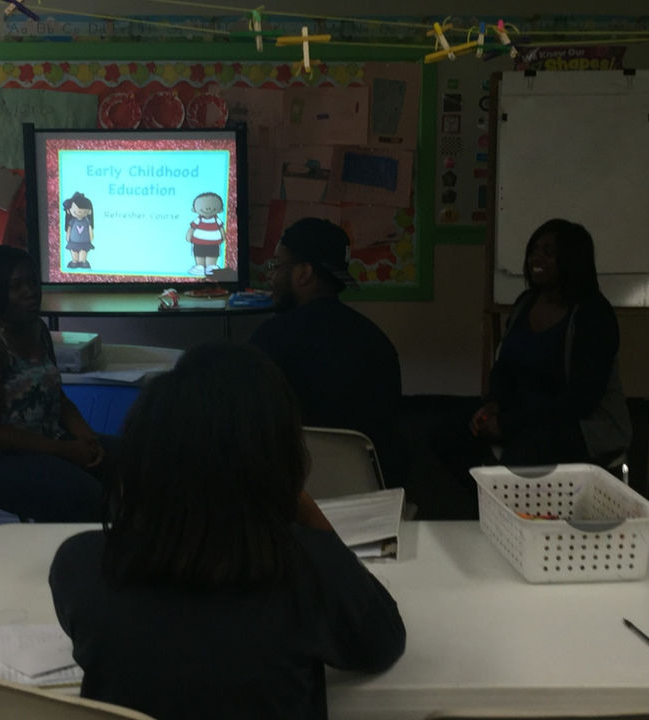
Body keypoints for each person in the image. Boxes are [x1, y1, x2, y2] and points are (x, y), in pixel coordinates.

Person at [50, 342, 405, 720]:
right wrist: (302, 506)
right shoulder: (310, 569)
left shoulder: (80, 565)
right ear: (280, 458)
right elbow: (381, 641)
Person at [0, 245, 110, 521]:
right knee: (79, 493)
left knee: (132, 461)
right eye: (17, 286)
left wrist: (87, 437)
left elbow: (57, 398)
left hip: (38, 439)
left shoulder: (38, 330)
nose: (31, 291)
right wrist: (65, 451)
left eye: (32, 282)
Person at [250, 217, 404, 484]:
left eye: (277, 265)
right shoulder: (377, 341)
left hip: (287, 491)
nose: (271, 277)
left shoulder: (267, 340)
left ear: (304, 273)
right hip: (369, 492)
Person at [470, 218, 632, 467]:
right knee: (450, 435)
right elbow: (505, 367)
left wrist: (508, 424)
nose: (536, 258)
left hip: (580, 424)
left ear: (571, 260)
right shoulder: (525, 303)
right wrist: (493, 404)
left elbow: (580, 400)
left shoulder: (593, 314)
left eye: (548, 252)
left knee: (523, 455)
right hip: (523, 414)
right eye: (534, 250)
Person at [63, 191, 94, 269]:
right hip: (73, 242)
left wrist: (91, 237)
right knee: (75, 259)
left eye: (84, 211)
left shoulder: (87, 221)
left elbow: (90, 229)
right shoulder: (72, 221)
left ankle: (83, 263)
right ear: (69, 210)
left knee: (82, 259)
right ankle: (74, 263)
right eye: (78, 211)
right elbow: (69, 229)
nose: (80, 213)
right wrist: (67, 237)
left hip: (84, 243)